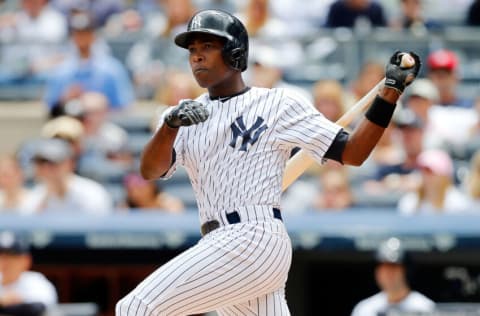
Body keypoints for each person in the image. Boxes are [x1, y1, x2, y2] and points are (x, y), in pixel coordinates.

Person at [116, 9, 420, 315]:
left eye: (207, 46)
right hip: (222, 241)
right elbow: (150, 171)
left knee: (135, 308)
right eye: (192, 50)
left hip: (251, 236)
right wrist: (169, 126)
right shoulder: (185, 115)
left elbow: (353, 152)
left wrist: (389, 93)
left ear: (235, 53)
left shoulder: (276, 103)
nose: (196, 56)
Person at [45, 12, 134, 111]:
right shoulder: (61, 72)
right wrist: (64, 100)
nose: (82, 38)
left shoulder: (112, 70)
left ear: (93, 35)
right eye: (78, 33)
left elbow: (125, 106)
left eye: (86, 33)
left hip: (105, 124)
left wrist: (99, 106)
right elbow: (50, 109)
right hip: (71, 123)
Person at [26, 138, 113, 215]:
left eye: (52, 163)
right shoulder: (35, 197)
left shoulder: (91, 193)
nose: (46, 168)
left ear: (70, 163)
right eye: (40, 163)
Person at [351, 237, 435, 315]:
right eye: (384, 270)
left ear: (405, 272)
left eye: (393, 269)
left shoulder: (424, 308)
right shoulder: (365, 309)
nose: (388, 276)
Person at [0, 230, 58, 316]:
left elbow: (35, 309)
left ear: (26, 260)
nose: (6, 262)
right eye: (2, 256)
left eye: (12, 257)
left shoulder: (35, 281)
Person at [397, 149, 471, 215]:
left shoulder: (460, 204)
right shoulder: (409, 202)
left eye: (429, 171)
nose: (425, 175)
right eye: (422, 170)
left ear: (443, 175)